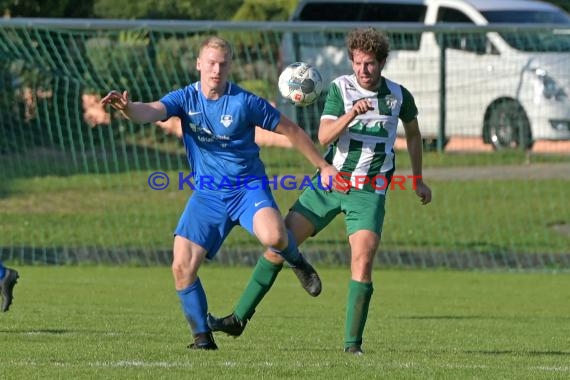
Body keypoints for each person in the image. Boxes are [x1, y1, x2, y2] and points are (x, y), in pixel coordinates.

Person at [101, 36, 339, 350]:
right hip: (208, 195)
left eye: (222, 64)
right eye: (211, 63)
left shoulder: (244, 102)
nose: (216, 69)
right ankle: (202, 338)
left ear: (229, 67)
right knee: (181, 265)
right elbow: (152, 111)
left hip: (247, 188)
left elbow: (291, 130)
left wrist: (323, 166)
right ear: (199, 64)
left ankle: (297, 261)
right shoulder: (185, 98)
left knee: (275, 237)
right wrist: (128, 108)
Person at [207, 27, 432, 354]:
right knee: (279, 244)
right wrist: (351, 114)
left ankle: (352, 347)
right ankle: (238, 319)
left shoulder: (398, 96)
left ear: (382, 62)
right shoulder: (341, 89)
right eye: (357, 63)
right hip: (330, 183)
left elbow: (413, 135)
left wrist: (418, 178)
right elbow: (324, 136)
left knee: (362, 262)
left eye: (369, 64)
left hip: (369, 191)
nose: (362, 70)